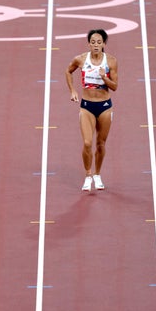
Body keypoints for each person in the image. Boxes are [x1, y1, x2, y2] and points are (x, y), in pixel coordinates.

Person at [65, 29, 118, 192]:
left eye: (99, 42)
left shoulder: (111, 61)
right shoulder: (80, 59)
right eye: (93, 42)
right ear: (89, 43)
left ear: (104, 44)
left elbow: (115, 87)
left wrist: (104, 78)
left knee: (100, 144)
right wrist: (72, 90)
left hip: (104, 107)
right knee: (88, 143)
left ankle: (97, 174)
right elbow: (68, 71)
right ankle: (88, 175)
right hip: (87, 106)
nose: (96, 45)